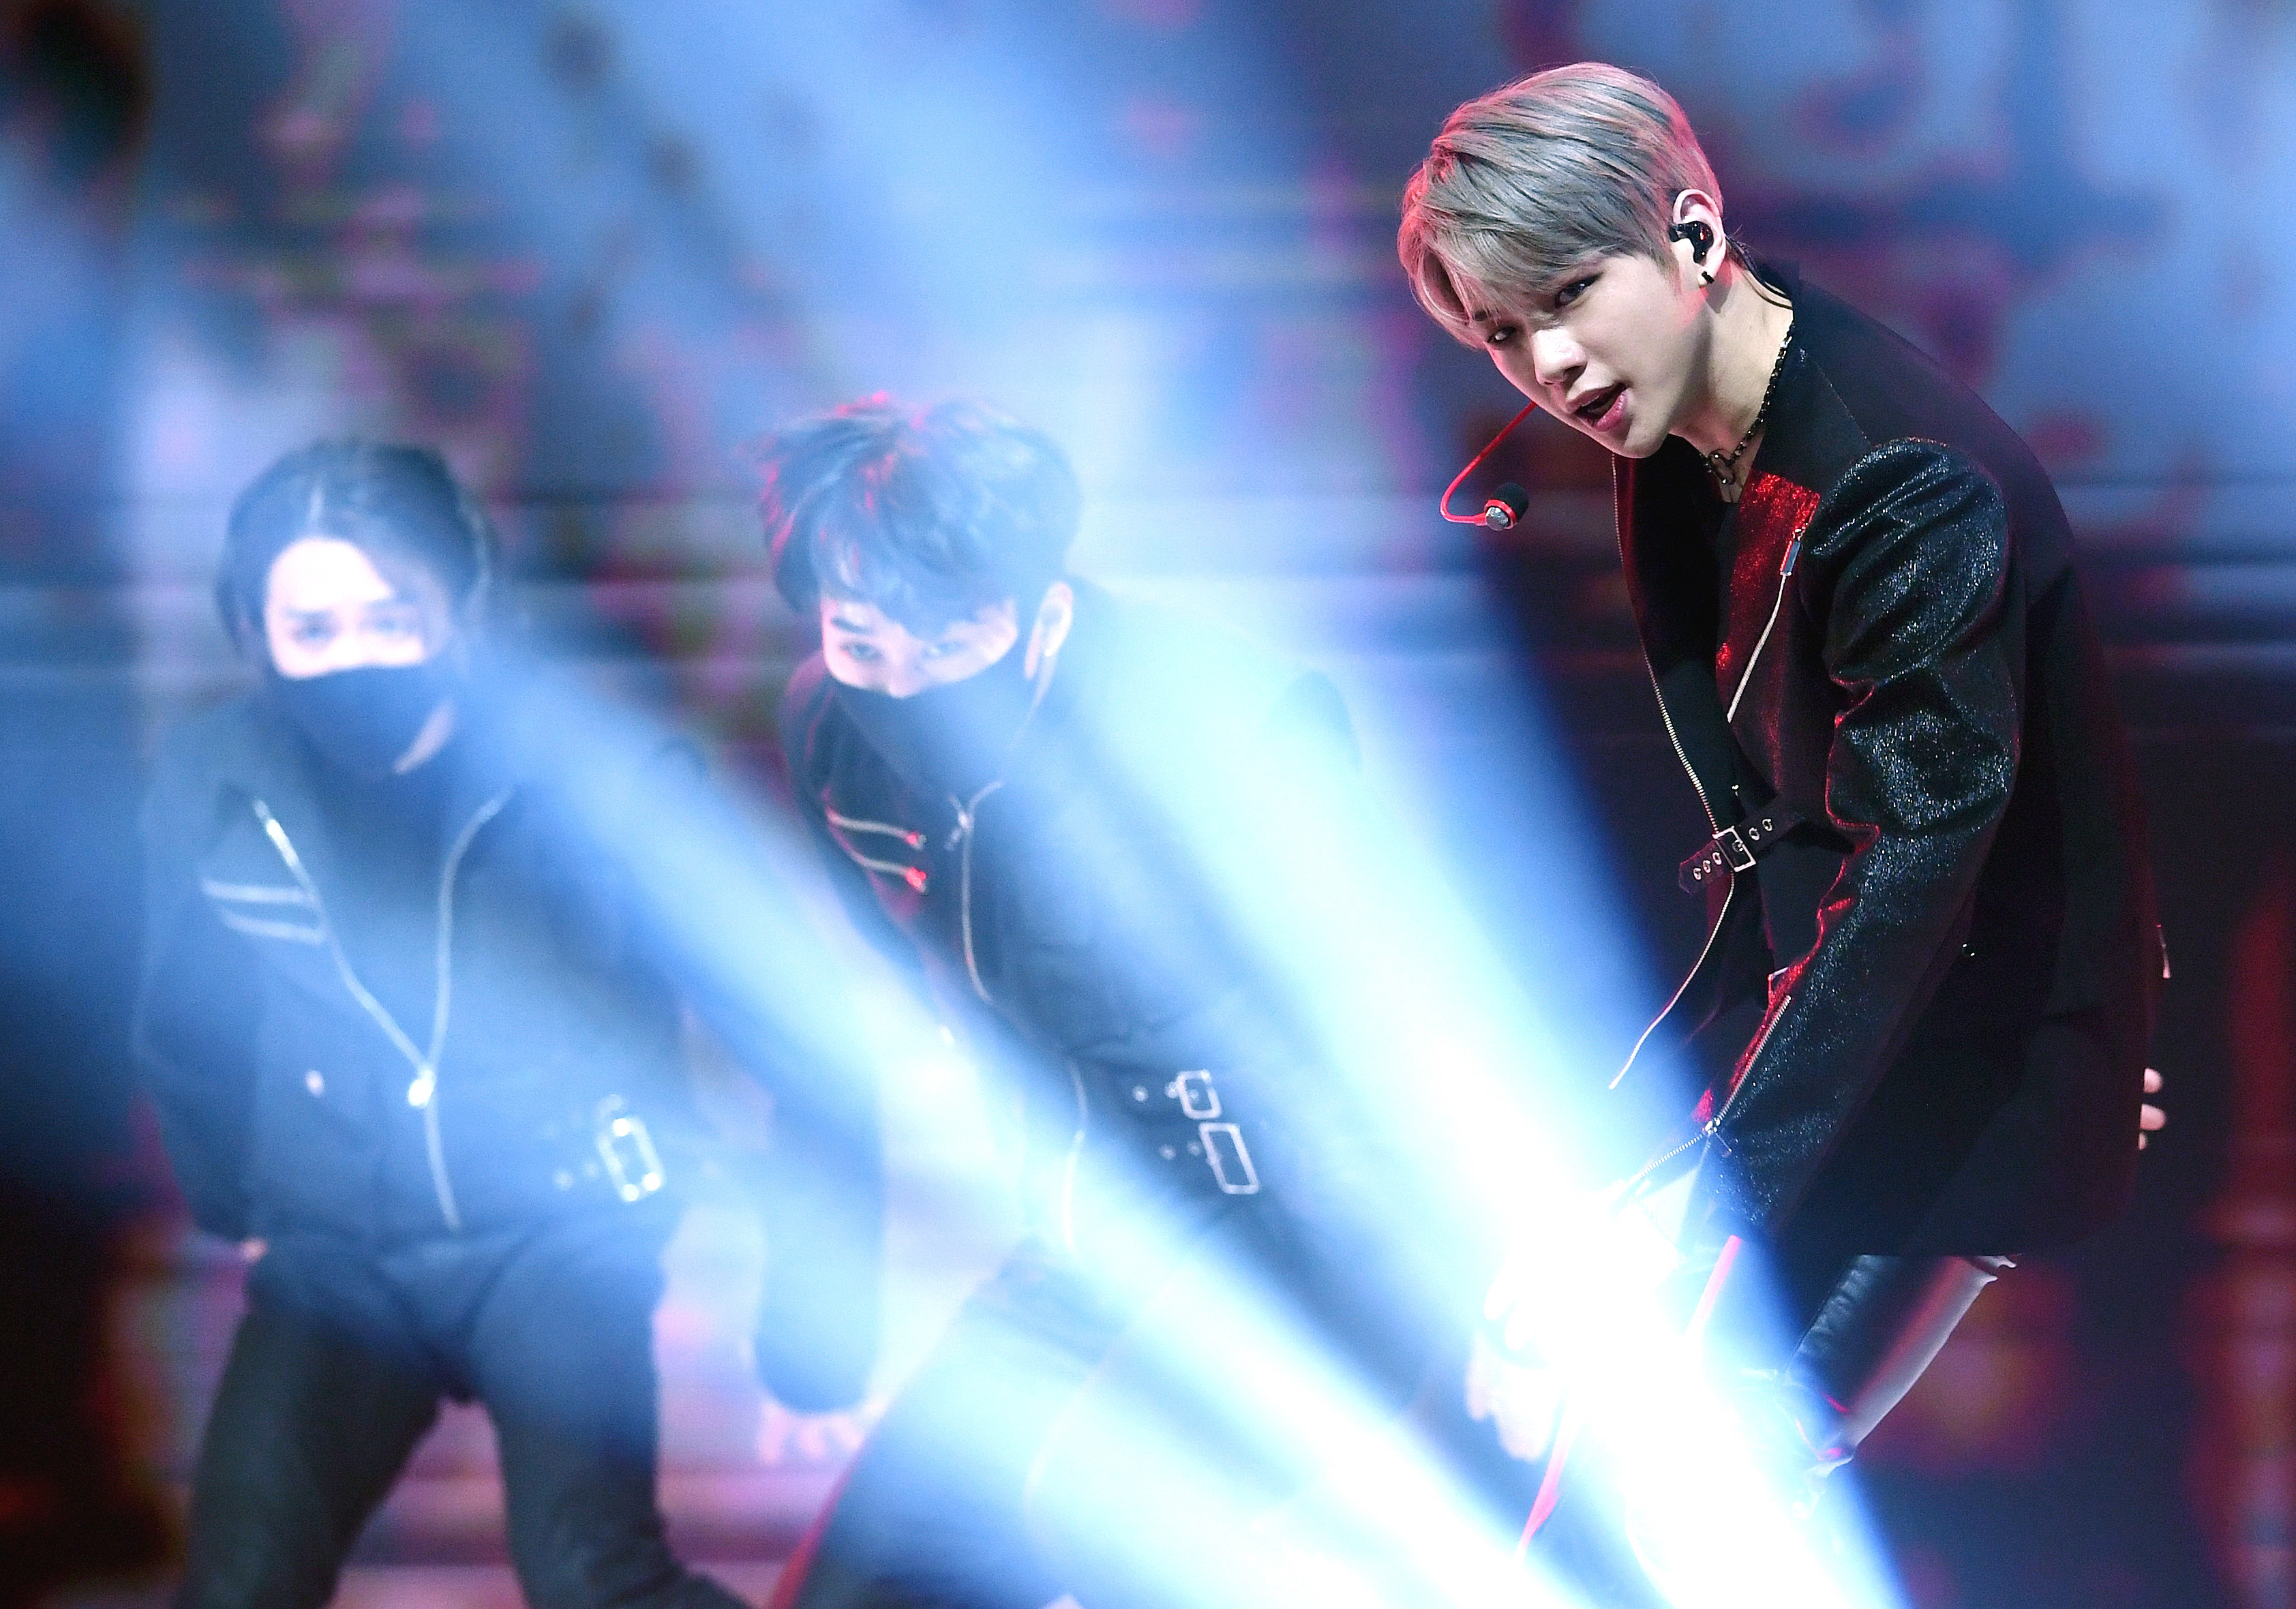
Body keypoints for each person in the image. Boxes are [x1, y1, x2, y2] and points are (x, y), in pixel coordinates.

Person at [1398, 63, 2164, 1529]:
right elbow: (1775, 847)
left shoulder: (1896, 478)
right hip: (1823, 1052)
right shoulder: (1684, 434)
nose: (1546, 363)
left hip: (1948, 1075)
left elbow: (1908, 873)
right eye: (1501, 334)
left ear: (1692, 236)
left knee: (1658, 1521)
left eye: (1568, 296)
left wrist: (1702, 1205)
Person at [135, 440, 881, 1609]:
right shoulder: (219, 776)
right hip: (337, 1254)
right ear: (255, 632)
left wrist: (814, 1338)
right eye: (312, 631)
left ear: (465, 606)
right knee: (237, 1586)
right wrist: (241, 1206)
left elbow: (804, 1041)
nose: (353, 658)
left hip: (562, 1229)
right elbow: (185, 1016)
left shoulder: (605, 780)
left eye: (392, 619)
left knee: (593, 1577)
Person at [755, 399, 1437, 1609]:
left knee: (1102, 1535)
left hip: (1305, 1241)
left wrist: (1474, 1307)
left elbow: (1385, 1030)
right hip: (1084, 1242)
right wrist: (818, 1337)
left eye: (944, 638)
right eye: (859, 638)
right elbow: (839, 1028)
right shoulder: (831, 734)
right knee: (859, 1587)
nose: (900, 681)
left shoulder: (1219, 725)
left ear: (1035, 599)